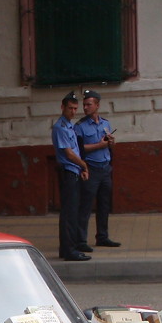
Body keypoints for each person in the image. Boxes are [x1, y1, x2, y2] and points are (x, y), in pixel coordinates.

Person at [74, 89, 120, 252]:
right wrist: (100, 145)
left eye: (89, 104)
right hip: (90, 168)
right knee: (85, 206)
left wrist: (110, 143)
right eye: (84, 105)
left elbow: (108, 144)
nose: (85, 108)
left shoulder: (105, 123)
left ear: (97, 106)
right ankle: (80, 240)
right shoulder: (80, 126)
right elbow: (78, 149)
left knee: (104, 205)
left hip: (105, 168)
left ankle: (102, 236)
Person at [52, 93, 91, 261]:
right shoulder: (60, 127)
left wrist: (81, 167)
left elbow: (75, 150)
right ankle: (69, 250)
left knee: (73, 212)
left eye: (76, 109)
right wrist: (83, 164)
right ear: (62, 107)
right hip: (68, 172)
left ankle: (68, 248)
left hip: (74, 171)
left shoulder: (69, 126)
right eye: (70, 108)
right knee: (69, 213)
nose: (73, 112)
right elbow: (68, 153)